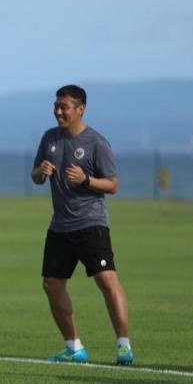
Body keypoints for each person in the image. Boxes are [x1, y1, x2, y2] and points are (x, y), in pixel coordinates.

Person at [31, 84, 133, 365]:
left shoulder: (97, 143)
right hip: (60, 227)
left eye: (64, 107)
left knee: (107, 280)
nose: (58, 112)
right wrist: (40, 172)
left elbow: (112, 184)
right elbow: (35, 177)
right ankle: (73, 347)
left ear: (80, 109)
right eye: (56, 106)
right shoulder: (49, 138)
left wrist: (86, 180)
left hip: (91, 223)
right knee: (52, 284)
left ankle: (123, 344)